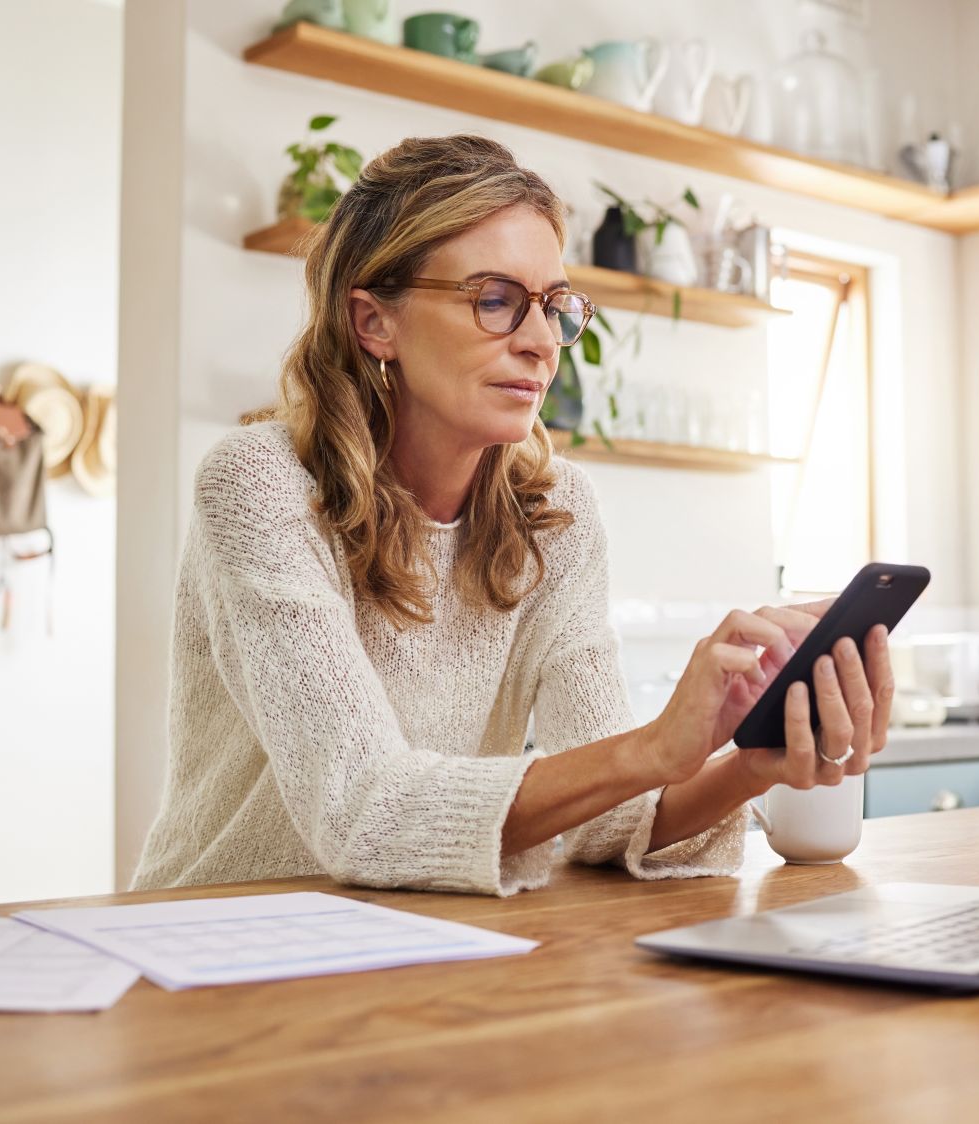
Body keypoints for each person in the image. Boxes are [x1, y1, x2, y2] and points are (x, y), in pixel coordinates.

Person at [131, 135, 895, 897]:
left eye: (555, 306)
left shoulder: (554, 512)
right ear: (373, 322)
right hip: (213, 940)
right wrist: (659, 746)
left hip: (410, 945)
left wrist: (748, 761)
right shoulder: (261, 484)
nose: (539, 343)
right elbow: (366, 812)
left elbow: (606, 821)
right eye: (494, 301)